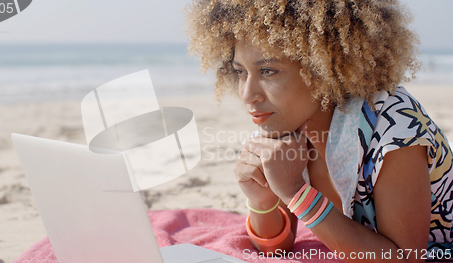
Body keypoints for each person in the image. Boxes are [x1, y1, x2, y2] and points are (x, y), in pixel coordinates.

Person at [185, 0, 453, 261]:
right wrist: (261, 200)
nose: (247, 95)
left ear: (324, 69)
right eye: (240, 71)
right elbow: (277, 248)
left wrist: (294, 192)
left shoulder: (393, 126)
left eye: (268, 71)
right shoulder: (285, 125)